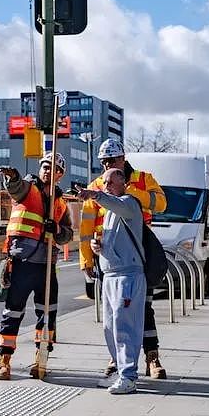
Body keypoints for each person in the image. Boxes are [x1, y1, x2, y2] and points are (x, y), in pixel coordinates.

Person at [79, 138, 168, 380]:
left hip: (138, 254)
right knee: (113, 313)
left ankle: (152, 356)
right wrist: (87, 257)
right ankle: (116, 358)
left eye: (113, 160)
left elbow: (160, 203)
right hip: (107, 256)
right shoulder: (96, 185)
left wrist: (125, 190)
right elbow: (87, 225)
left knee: (144, 308)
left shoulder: (142, 179)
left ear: (123, 158)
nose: (108, 164)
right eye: (104, 161)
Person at [0, 153, 73, 380]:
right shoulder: (30, 190)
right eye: (45, 166)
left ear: (60, 175)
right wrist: (12, 177)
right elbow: (17, 188)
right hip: (21, 263)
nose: (48, 170)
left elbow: (67, 235)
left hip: (46, 267)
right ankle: (4, 361)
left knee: (47, 315)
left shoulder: (60, 204)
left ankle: (41, 360)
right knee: (12, 312)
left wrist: (56, 230)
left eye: (53, 168)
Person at [77, 168, 147, 394]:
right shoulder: (109, 212)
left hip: (127, 275)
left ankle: (128, 375)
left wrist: (95, 195)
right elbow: (114, 239)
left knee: (124, 325)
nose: (106, 185)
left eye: (111, 182)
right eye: (104, 182)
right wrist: (99, 248)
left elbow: (116, 204)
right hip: (110, 275)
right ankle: (121, 371)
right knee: (111, 326)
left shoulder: (129, 203)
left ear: (123, 183)